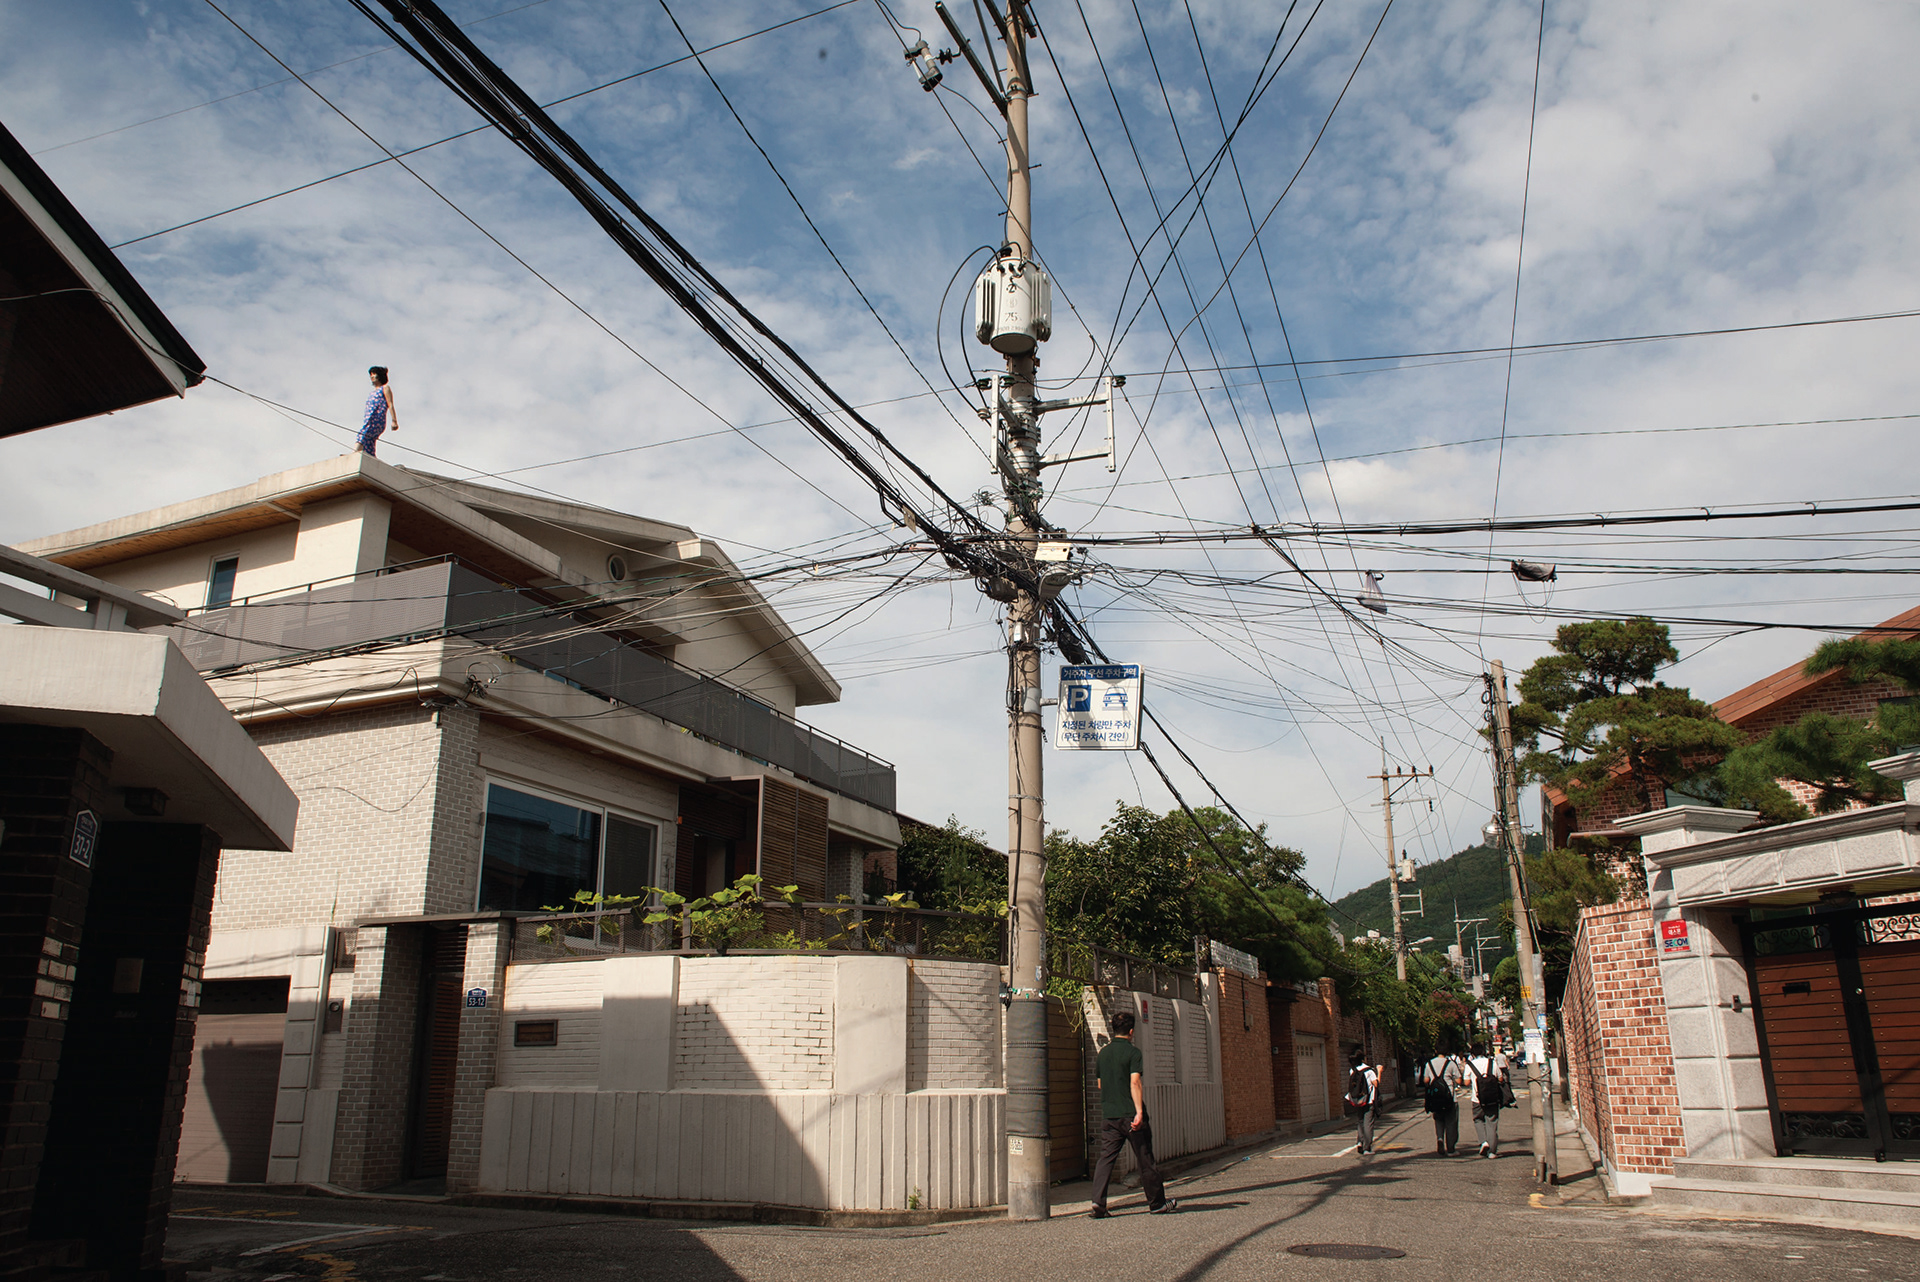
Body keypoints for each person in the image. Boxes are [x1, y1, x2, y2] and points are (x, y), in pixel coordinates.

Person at [1088, 1010, 1177, 1217]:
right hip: (1130, 1113)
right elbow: (1135, 1082)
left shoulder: (1103, 1054)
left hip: (1110, 1115)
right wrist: (1138, 1113)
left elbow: (1101, 1084)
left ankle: (1097, 1202)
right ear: (1131, 1031)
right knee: (1145, 1158)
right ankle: (1157, 1203)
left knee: (1106, 1159)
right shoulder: (1133, 1053)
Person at [1464, 1044, 1508, 1158]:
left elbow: (1466, 1082)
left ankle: (1483, 1142)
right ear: (1484, 1052)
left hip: (1477, 1098)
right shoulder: (1492, 1063)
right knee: (1492, 1122)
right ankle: (1492, 1152)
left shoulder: (1470, 1064)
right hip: (1492, 1098)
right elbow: (1500, 1078)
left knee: (1478, 1120)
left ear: (1472, 1054)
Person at [1417, 1049, 1462, 1156]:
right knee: (1451, 1123)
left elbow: (1426, 1080)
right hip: (1450, 1098)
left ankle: (1440, 1138)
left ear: (1436, 1050)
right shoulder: (1451, 1064)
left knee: (1438, 1120)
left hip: (1435, 1098)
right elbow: (1459, 1081)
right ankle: (1451, 1149)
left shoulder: (1429, 1063)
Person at [1344, 1051, 1381, 1155]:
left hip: (1357, 1100)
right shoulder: (1369, 1071)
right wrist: (1380, 1071)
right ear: (1362, 1059)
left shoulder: (1352, 1070)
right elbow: (1376, 1084)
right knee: (1368, 1123)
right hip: (1369, 1100)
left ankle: (1360, 1142)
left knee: (1360, 1121)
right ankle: (1367, 1148)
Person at [357, 366, 397, 456]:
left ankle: (354, 453)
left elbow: (390, 404)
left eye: (374, 374)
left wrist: (394, 421)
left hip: (377, 419)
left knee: (363, 433)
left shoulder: (385, 388)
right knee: (369, 441)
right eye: (371, 374)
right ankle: (370, 457)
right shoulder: (372, 393)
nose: (372, 376)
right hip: (369, 418)